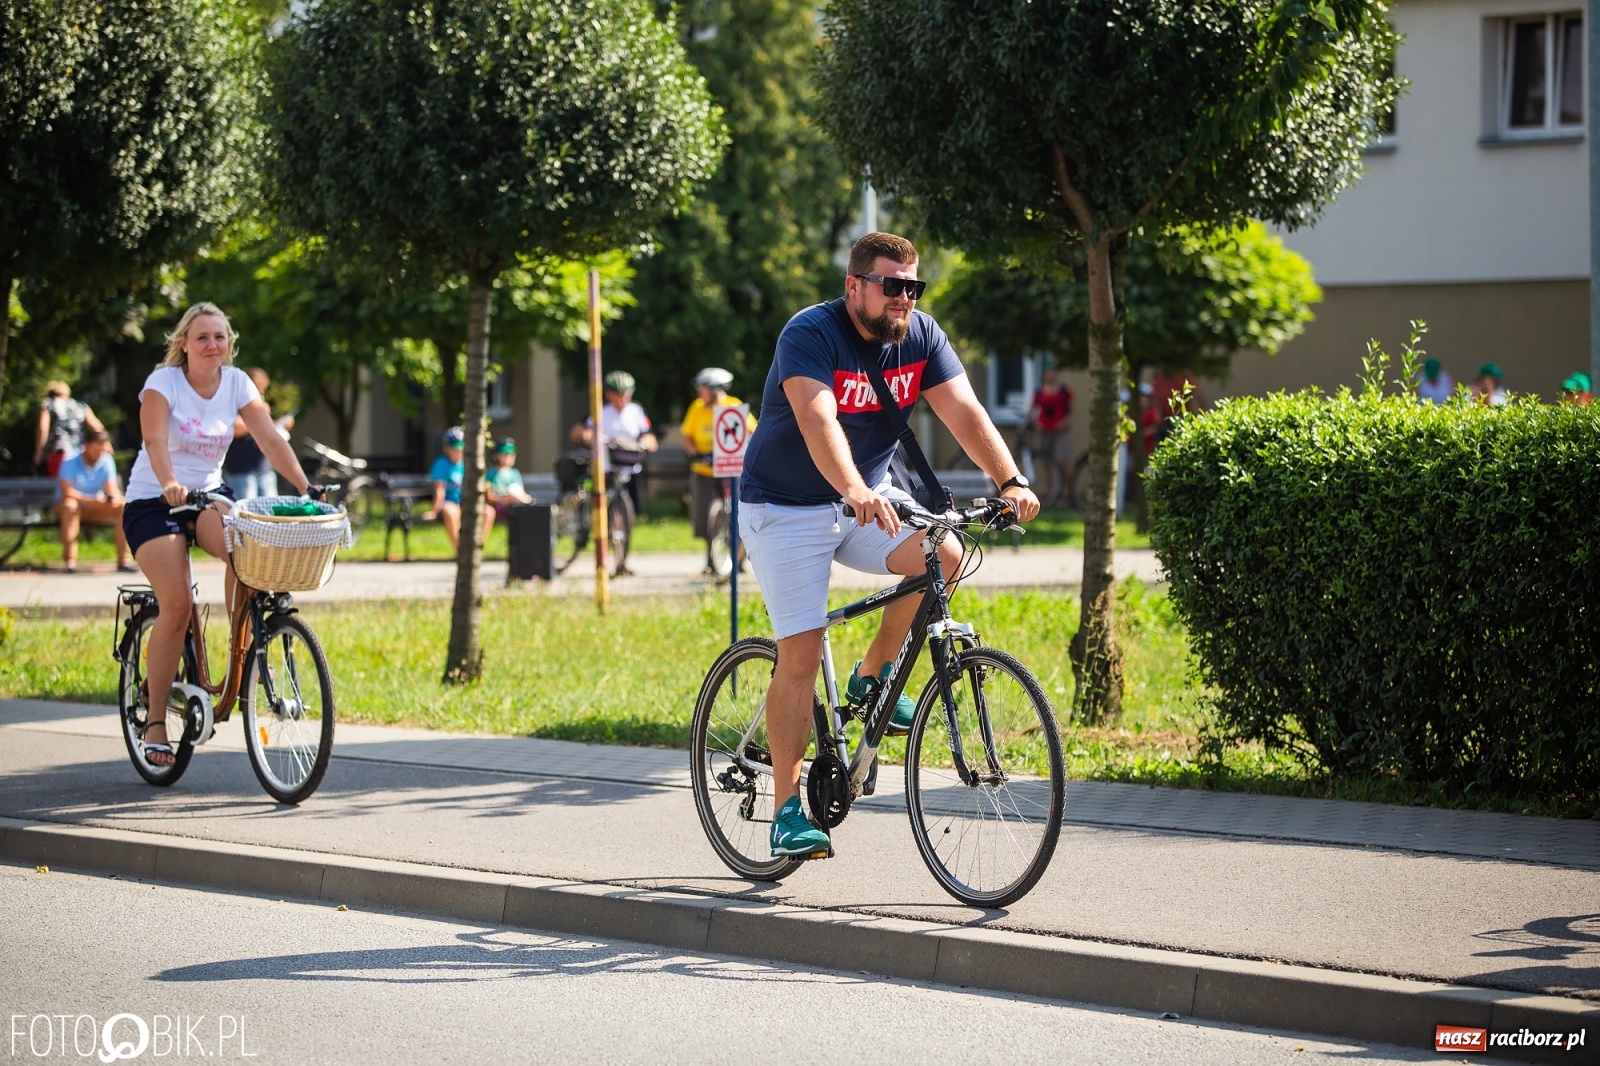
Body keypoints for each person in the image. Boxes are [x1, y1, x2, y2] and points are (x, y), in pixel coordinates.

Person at [738, 231, 1040, 859]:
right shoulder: (810, 335)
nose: (904, 297)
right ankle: (787, 809)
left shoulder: (921, 337)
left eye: (913, 287)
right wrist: (853, 486)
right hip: (785, 509)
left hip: (861, 499)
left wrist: (1008, 479)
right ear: (855, 287)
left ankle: (870, 676)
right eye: (891, 285)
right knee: (800, 650)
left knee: (945, 555)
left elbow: (965, 411)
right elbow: (818, 420)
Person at [122, 302, 311, 767]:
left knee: (241, 549)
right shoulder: (162, 384)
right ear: (184, 343)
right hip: (154, 499)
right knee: (178, 604)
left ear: (230, 344)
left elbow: (269, 437)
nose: (212, 345)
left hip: (207, 494)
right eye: (202, 337)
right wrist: (167, 481)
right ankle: (157, 721)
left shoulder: (237, 382)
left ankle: (242, 647)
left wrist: (306, 486)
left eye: (220, 337)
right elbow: (154, 442)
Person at [680, 367, 755, 574]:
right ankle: (710, 558)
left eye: (702, 389)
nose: (698, 393)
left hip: (731, 468)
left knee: (740, 513)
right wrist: (694, 453)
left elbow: (752, 430)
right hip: (704, 468)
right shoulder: (696, 408)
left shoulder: (733, 406)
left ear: (714, 389)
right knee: (703, 513)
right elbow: (686, 435)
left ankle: (739, 558)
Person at [570, 370, 658, 520]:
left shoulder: (636, 411)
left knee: (633, 507)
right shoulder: (600, 411)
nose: (622, 399)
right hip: (606, 465)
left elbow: (648, 434)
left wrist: (648, 442)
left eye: (626, 395)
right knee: (600, 499)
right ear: (608, 394)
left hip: (630, 464)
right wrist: (586, 434)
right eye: (618, 394)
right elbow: (576, 431)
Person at [53, 428, 132, 573]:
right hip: (70, 507)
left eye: (101, 450)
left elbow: (111, 487)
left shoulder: (106, 460)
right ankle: (70, 561)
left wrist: (112, 497)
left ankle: (124, 560)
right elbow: (67, 492)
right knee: (70, 506)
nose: (98, 454)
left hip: (95, 507)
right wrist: (91, 501)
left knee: (122, 505)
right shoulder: (70, 461)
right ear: (86, 445)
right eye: (95, 449)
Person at [222, 367, 294, 498]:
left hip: (264, 470)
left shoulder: (261, 406)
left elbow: (267, 434)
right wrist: (259, 416)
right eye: (258, 389)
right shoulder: (232, 403)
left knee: (270, 516)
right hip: (241, 471)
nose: (261, 394)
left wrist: (279, 423)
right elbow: (235, 428)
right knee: (245, 516)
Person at [425, 426, 494, 550]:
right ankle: (461, 549)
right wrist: (434, 511)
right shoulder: (441, 464)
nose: (458, 452)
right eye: (454, 449)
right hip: (449, 503)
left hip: (466, 503)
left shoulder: (470, 464)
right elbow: (439, 490)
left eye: (460, 448)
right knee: (451, 512)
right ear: (446, 448)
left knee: (488, 512)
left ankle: (476, 548)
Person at [33, 381, 104, 478]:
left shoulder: (48, 404)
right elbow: (98, 427)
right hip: (78, 455)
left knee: (59, 488)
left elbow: (43, 428)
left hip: (59, 454)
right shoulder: (81, 406)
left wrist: (39, 453)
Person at [1026, 365, 1072, 503]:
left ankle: (1065, 491)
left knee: (1062, 460)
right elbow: (1032, 410)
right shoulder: (1039, 392)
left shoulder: (1064, 391)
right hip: (1044, 431)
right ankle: (1050, 491)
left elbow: (1072, 411)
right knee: (1046, 461)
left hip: (1060, 431)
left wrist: (1064, 423)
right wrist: (1036, 423)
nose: (1050, 376)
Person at [486, 437, 533, 517]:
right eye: (505, 454)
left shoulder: (515, 473)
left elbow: (520, 491)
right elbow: (489, 497)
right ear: (495, 455)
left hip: (516, 506)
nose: (509, 456)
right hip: (499, 507)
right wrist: (505, 500)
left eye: (512, 454)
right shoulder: (490, 473)